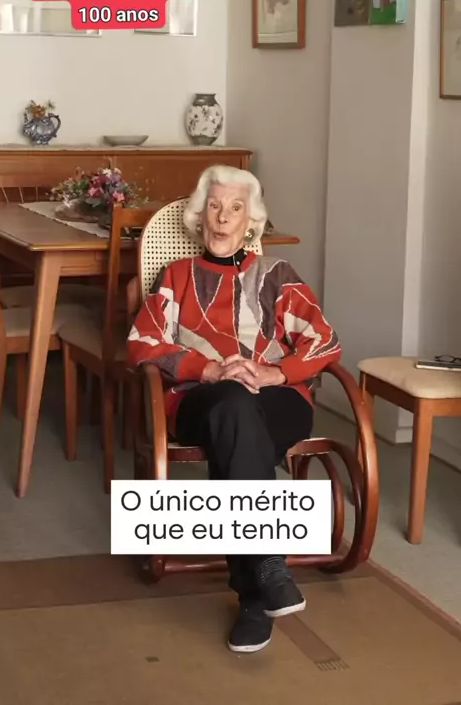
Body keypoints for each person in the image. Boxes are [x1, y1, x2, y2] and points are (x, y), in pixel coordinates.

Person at [127, 165, 341, 654]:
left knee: (240, 418)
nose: (223, 218)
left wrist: (274, 373)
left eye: (235, 208)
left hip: (277, 400)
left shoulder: (277, 276)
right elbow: (142, 344)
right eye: (214, 207)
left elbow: (324, 341)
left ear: (251, 222)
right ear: (200, 217)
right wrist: (208, 370)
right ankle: (267, 571)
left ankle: (253, 593)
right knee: (232, 407)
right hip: (202, 400)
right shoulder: (177, 277)